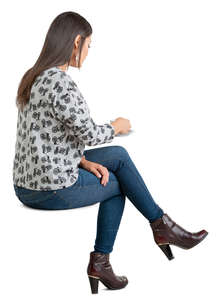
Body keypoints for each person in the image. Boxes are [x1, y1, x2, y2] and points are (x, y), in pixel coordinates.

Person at [12, 11, 208, 294]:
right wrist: (116, 125)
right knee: (119, 186)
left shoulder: (33, 77)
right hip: (50, 189)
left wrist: (83, 161)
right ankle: (107, 257)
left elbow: (43, 137)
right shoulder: (61, 83)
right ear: (76, 42)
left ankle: (161, 226)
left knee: (117, 155)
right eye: (89, 46)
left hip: (25, 184)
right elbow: (89, 134)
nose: (88, 53)